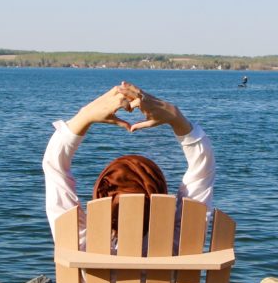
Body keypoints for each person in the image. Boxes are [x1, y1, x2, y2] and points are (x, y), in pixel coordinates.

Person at [42, 82, 215, 246]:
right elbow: (202, 170)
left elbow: (54, 166)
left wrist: (85, 115)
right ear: (159, 198)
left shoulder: (78, 243)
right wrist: (176, 118)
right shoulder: (182, 243)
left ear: (100, 197)